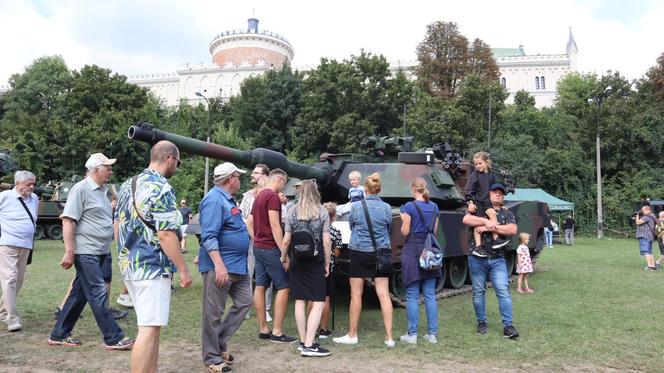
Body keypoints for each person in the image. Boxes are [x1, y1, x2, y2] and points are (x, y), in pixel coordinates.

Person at [115, 141, 193, 372]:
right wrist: (184, 269)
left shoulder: (128, 184)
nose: (176, 168)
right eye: (177, 163)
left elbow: (118, 224)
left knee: (152, 325)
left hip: (130, 264)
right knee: (148, 329)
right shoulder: (161, 188)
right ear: (170, 159)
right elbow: (167, 233)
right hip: (152, 266)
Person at [49, 153, 134, 350]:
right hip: (86, 252)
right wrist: (69, 251)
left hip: (101, 251)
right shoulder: (80, 189)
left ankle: (58, 334)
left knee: (79, 294)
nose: (111, 171)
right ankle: (113, 338)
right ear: (95, 170)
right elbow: (68, 220)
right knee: (98, 293)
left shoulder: (103, 190)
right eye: (107, 168)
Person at [199, 163, 252, 373]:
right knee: (213, 313)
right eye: (239, 176)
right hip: (221, 267)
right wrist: (218, 265)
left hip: (238, 267)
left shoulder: (228, 199)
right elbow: (209, 235)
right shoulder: (213, 200)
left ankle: (219, 343)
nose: (241, 180)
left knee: (245, 302)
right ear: (231, 178)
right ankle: (212, 357)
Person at [333, 172, 394, 347]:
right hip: (380, 253)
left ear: (364, 190)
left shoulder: (357, 207)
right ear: (379, 189)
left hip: (359, 252)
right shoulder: (387, 208)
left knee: (356, 294)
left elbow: (352, 226)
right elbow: (388, 228)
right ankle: (389, 338)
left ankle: (352, 335)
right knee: (384, 294)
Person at [463, 183, 519, 339]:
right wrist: (486, 221)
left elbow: (513, 230)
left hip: (497, 259)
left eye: (501, 193)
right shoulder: (478, 208)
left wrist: (489, 228)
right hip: (477, 258)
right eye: (495, 192)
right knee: (478, 292)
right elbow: (467, 219)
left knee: (503, 291)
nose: (498, 195)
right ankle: (481, 322)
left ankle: (508, 325)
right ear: (488, 194)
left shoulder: (506, 213)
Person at [246, 168, 296, 343]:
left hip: (258, 247)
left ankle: (263, 329)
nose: (284, 187)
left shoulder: (258, 196)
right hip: (270, 248)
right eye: (284, 183)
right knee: (284, 287)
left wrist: (256, 239)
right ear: (280, 179)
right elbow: (276, 226)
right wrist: (284, 253)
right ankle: (277, 332)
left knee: (260, 285)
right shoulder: (272, 197)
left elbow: (249, 222)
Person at [283, 180, 332, 357]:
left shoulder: (291, 211)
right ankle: (310, 345)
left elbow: (286, 240)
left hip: (297, 259)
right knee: (318, 301)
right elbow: (326, 241)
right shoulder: (322, 211)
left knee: (299, 300)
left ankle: (303, 341)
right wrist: (327, 262)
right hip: (315, 259)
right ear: (315, 192)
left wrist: (284, 258)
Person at [398, 178, 440, 345]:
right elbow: (433, 231)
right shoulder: (435, 207)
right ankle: (432, 334)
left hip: (412, 251)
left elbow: (405, 231)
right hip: (429, 251)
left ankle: (412, 334)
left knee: (412, 295)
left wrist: (403, 220)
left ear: (413, 190)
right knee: (430, 294)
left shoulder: (409, 207)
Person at [0, 170, 38, 332]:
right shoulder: (4, 197)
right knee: (10, 278)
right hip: (7, 244)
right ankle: (12, 319)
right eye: (27, 184)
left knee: (18, 280)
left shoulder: (34, 199)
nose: (31, 187)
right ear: (17, 183)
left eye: (33, 184)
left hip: (26, 245)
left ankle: (2, 311)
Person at [239, 164, 273, 323]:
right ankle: (245, 307)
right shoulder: (247, 196)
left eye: (256, 173)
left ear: (265, 176)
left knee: (267, 276)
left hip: (267, 241)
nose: (253, 175)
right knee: (247, 273)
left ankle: (265, 309)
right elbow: (242, 216)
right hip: (251, 240)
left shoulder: (273, 194)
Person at [465, 152, 508, 257]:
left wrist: (500, 204)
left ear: (487, 163)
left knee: (493, 216)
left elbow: (493, 192)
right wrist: (470, 202)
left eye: (480, 163)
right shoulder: (475, 175)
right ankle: (478, 247)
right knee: (479, 224)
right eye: (476, 164)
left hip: (487, 202)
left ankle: (496, 240)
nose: (477, 166)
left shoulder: (491, 176)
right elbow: (469, 189)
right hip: (477, 202)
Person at [317, 202, 341, 339]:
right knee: (326, 297)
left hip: (315, 265)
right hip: (329, 267)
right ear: (334, 217)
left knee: (312, 297)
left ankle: (311, 326)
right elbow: (337, 253)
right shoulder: (336, 232)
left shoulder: (316, 228)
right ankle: (323, 329)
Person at [635, 205, 658, 271]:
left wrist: (637, 216)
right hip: (650, 236)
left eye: (643, 210)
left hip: (644, 236)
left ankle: (649, 266)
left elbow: (638, 222)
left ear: (647, 209)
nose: (642, 212)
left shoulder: (647, 216)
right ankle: (653, 266)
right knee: (649, 251)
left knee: (645, 251)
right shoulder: (652, 216)